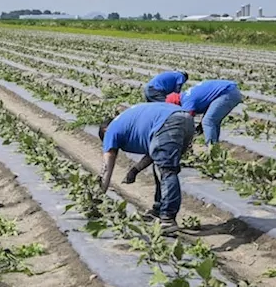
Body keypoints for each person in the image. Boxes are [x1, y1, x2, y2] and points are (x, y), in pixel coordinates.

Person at [99, 102, 196, 234]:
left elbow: (107, 167)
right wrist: (135, 170)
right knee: (161, 164)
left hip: (168, 122)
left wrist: (99, 194)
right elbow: (154, 152)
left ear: (105, 132)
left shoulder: (111, 131)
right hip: (186, 119)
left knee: (166, 170)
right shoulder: (126, 121)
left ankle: (168, 219)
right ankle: (158, 210)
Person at [177, 79, 243, 145]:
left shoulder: (186, 101)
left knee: (208, 121)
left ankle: (211, 149)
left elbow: (187, 121)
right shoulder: (187, 95)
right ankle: (215, 146)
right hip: (229, 90)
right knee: (213, 122)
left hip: (227, 92)